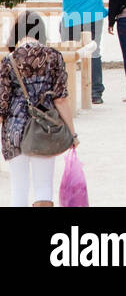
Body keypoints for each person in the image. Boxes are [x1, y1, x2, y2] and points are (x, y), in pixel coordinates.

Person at [1, 11, 79, 207]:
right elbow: (61, 99)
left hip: (15, 130)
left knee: (18, 188)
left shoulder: (8, 62)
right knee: (44, 187)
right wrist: (72, 133)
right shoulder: (54, 57)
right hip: (45, 129)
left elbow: (1, 105)